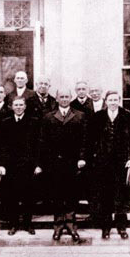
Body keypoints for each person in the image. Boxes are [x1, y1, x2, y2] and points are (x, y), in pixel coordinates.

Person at [88, 90, 130, 240]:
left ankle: (122, 227)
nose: (113, 102)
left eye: (116, 100)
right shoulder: (98, 117)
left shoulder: (128, 116)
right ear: (106, 101)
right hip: (103, 164)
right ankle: (106, 228)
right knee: (105, 196)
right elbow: (90, 140)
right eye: (110, 100)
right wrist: (94, 158)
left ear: (119, 101)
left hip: (122, 163)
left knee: (121, 196)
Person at [40, 88, 87, 242]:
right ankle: (58, 225)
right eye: (62, 97)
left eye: (67, 96)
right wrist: (46, 161)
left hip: (73, 163)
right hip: (55, 163)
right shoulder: (48, 117)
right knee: (57, 194)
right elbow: (43, 141)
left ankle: (71, 225)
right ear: (57, 99)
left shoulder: (80, 116)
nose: (65, 99)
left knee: (72, 194)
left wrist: (81, 158)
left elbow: (84, 141)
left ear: (70, 97)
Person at [0, 96, 41, 236]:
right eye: (16, 105)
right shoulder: (5, 123)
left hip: (28, 165)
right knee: (12, 196)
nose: (19, 107)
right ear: (11, 106)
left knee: (28, 195)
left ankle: (28, 224)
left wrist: (38, 165)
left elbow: (39, 145)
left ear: (25, 106)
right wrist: (2, 164)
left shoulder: (34, 122)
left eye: (21, 104)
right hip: (11, 166)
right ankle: (13, 224)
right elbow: (1, 146)